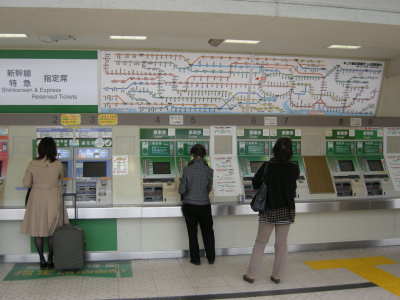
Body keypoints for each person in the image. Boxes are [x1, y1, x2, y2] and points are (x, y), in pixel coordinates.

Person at [243, 137, 300, 284]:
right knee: (281, 244)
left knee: (260, 242)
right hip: (286, 209)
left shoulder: (267, 166)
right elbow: (292, 187)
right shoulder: (294, 167)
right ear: (290, 151)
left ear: (274, 149)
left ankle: (251, 275)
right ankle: (277, 275)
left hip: (269, 208)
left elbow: (255, 184)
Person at [21, 137, 68, 269]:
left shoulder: (32, 164)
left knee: (38, 231)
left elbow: (26, 183)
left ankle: (41, 260)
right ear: (54, 149)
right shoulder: (58, 164)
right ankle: (51, 260)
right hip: (53, 197)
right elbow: (61, 178)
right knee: (52, 231)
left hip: (36, 199)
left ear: (40, 148)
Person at [179, 144, 215, 265]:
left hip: (190, 205)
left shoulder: (188, 169)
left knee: (192, 232)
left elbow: (182, 189)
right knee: (208, 231)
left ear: (193, 155)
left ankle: (196, 259)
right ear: (204, 155)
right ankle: (211, 258)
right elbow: (209, 187)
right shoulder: (209, 170)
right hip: (205, 205)